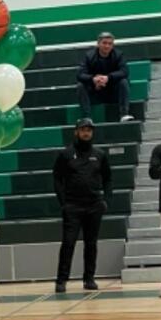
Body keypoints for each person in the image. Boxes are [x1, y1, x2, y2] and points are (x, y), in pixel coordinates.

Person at [53, 118, 112, 293]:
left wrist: (106, 200)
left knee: (91, 243)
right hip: (72, 206)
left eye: (89, 130)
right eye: (83, 129)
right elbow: (57, 179)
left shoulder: (100, 154)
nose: (86, 132)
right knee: (68, 243)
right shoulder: (65, 154)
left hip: (94, 206)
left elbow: (108, 179)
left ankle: (89, 279)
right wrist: (63, 203)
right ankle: (61, 280)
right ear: (76, 132)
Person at [76, 31, 133, 122]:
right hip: (95, 92)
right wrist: (94, 79)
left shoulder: (119, 55)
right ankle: (87, 117)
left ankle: (124, 114)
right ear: (98, 44)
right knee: (80, 85)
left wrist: (108, 78)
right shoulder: (89, 56)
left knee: (124, 81)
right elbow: (79, 74)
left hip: (113, 91)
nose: (107, 46)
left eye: (110, 44)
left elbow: (124, 71)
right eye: (104, 43)